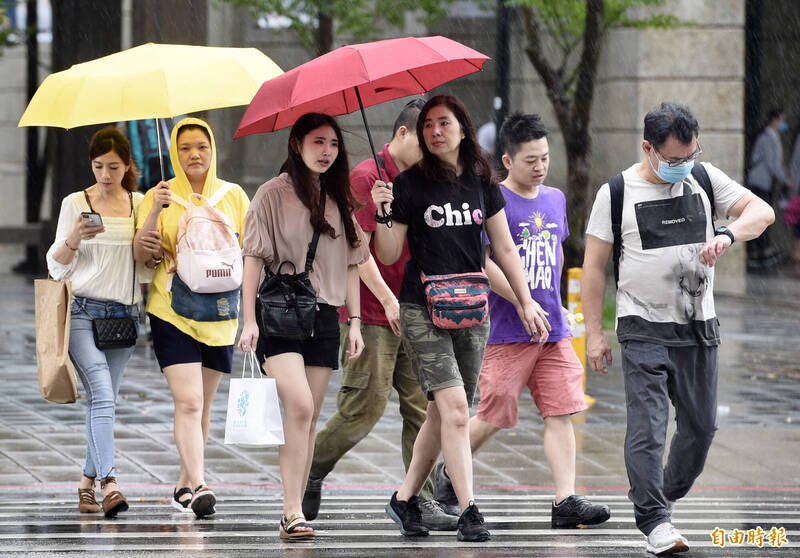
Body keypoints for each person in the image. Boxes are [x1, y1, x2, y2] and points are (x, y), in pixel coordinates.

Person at [582, 102, 774, 556]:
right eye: (673, 160)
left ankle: (663, 495)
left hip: (697, 327)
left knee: (702, 427)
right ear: (647, 149)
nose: (683, 167)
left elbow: (760, 212)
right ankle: (653, 519)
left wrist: (727, 234)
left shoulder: (704, 178)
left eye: (691, 155)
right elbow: (593, 268)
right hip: (641, 326)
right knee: (648, 427)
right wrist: (594, 332)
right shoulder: (616, 193)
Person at [370, 95, 549, 542]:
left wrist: (525, 301)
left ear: (463, 129)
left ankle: (405, 497)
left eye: (443, 123)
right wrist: (383, 211)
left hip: (472, 306)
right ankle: (470, 509)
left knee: (443, 411)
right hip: (420, 307)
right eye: (428, 124)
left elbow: (503, 248)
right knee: (453, 411)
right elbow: (390, 253)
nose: (434, 131)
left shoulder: (481, 180)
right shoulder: (409, 185)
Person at [432, 113, 611, 528]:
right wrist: (524, 300)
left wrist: (554, 302)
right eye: (531, 159)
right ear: (508, 161)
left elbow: (559, 252)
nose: (540, 166)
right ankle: (446, 473)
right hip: (508, 330)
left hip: (552, 330)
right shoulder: (492, 200)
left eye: (545, 158)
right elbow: (486, 262)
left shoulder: (555, 198)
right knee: (495, 413)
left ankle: (565, 499)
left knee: (562, 409)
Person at [301, 99, 457, 530]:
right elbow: (358, 249)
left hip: (418, 308)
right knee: (364, 407)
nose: (432, 151)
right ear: (404, 135)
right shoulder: (366, 177)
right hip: (371, 311)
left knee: (423, 410)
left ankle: (417, 501)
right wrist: (387, 301)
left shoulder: (426, 180)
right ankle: (309, 469)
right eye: (424, 143)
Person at [238, 112, 369, 540]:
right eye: (317, 142)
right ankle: (291, 509)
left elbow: (353, 263)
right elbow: (253, 259)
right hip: (280, 315)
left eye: (332, 143)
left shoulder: (340, 198)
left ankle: (294, 511)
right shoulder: (271, 195)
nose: (327, 151)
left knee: (309, 418)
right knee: (298, 406)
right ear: (296, 144)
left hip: (325, 317)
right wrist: (247, 320)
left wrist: (355, 321)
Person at [133, 117, 250, 518]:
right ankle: (199, 484)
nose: (194, 154)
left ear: (212, 149)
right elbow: (141, 255)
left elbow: (250, 256)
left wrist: (252, 317)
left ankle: (185, 486)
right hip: (172, 310)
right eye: (185, 148)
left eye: (201, 146)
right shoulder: (158, 195)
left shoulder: (234, 196)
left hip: (220, 314)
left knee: (202, 406)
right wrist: (154, 214)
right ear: (174, 154)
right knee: (189, 401)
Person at [46, 126, 151, 518]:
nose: (105, 175)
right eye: (98, 166)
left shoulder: (139, 204)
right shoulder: (76, 202)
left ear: (127, 166)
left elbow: (145, 270)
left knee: (104, 404)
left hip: (122, 318)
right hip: (81, 314)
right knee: (102, 396)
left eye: (113, 167)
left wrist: (152, 253)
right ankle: (110, 483)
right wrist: (75, 235)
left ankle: (85, 485)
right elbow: (56, 266)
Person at [746, 108, 789, 269]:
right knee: (760, 217)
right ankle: (759, 251)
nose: (784, 124)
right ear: (775, 119)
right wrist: (787, 179)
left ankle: (760, 251)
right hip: (760, 183)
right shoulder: (768, 138)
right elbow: (772, 164)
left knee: (761, 217)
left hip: (764, 183)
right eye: (782, 120)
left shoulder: (772, 137)